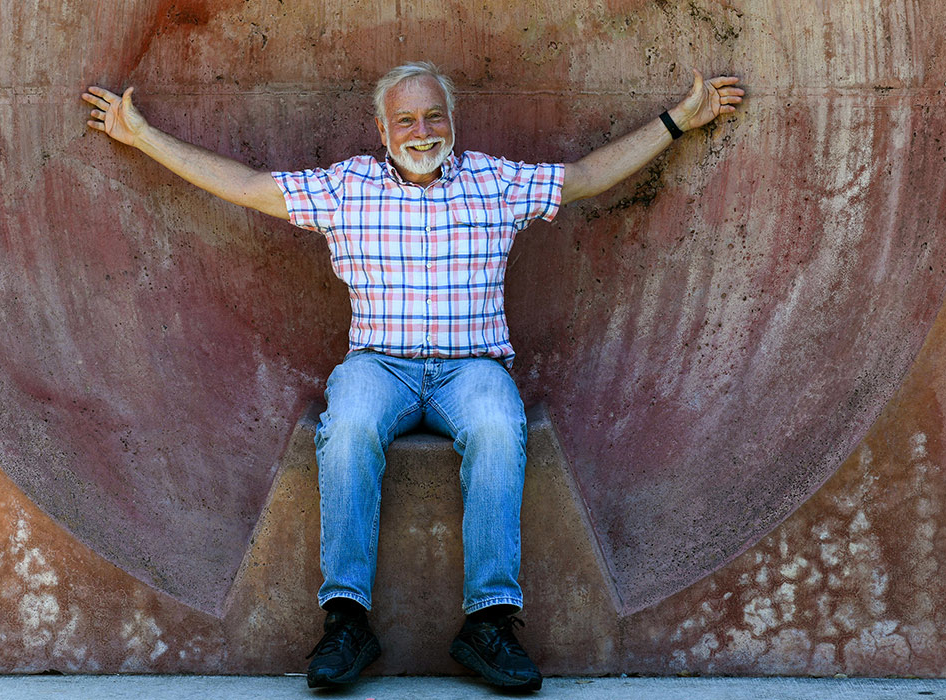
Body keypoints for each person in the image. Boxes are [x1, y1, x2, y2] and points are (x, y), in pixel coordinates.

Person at [83, 61, 743, 692]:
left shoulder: (494, 182)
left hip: (471, 367)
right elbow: (250, 185)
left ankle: (488, 622)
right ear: (382, 131)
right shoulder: (347, 188)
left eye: (433, 117)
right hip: (381, 364)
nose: (421, 132)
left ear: (452, 122)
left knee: (496, 422)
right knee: (348, 427)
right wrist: (141, 136)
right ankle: (345, 621)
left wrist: (679, 120)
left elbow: (586, 175)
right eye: (406, 121)